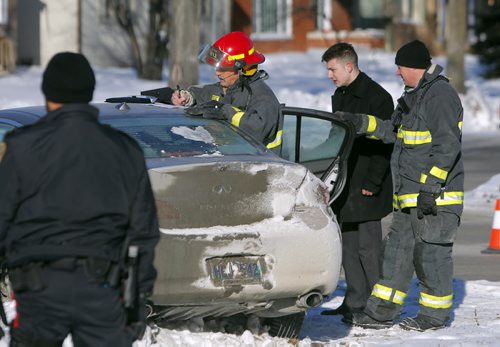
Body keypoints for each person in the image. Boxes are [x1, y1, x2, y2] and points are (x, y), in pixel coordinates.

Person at [0, 52, 160, 346]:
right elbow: (143, 233)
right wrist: (137, 300)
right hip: (102, 287)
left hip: (38, 288)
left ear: (47, 93)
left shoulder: (22, 147)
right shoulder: (124, 151)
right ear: (89, 93)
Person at [339, 40, 464, 332]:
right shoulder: (412, 97)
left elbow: (447, 146)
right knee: (396, 254)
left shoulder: (440, 96)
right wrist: (360, 123)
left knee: (431, 255)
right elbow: (392, 131)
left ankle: (434, 316)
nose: (397, 72)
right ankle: (380, 313)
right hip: (410, 198)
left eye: (400, 67)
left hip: (435, 198)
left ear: (414, 67)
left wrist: (431, 188)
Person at [319, 43, 394, 320]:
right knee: (348, 246)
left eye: (332, 69)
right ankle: (354, 301)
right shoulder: (340, 94)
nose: (330, 75)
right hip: (346, 182)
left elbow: (386, 145)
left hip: (368, 183)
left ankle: (377, 305)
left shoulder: (378, 97)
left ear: (348, 66)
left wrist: (373, 183)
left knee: (368, 248)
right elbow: (336, 137)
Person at [171, 31, 283, 152]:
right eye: (218, 68)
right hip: (229, 163)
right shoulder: (228, 87)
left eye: (223, 68)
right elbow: (205, 93)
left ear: (242, 69)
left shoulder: (263, 97)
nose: (217, 73)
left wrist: (226, 112)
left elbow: (257, 130)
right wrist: (187, 97)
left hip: (260, 166)